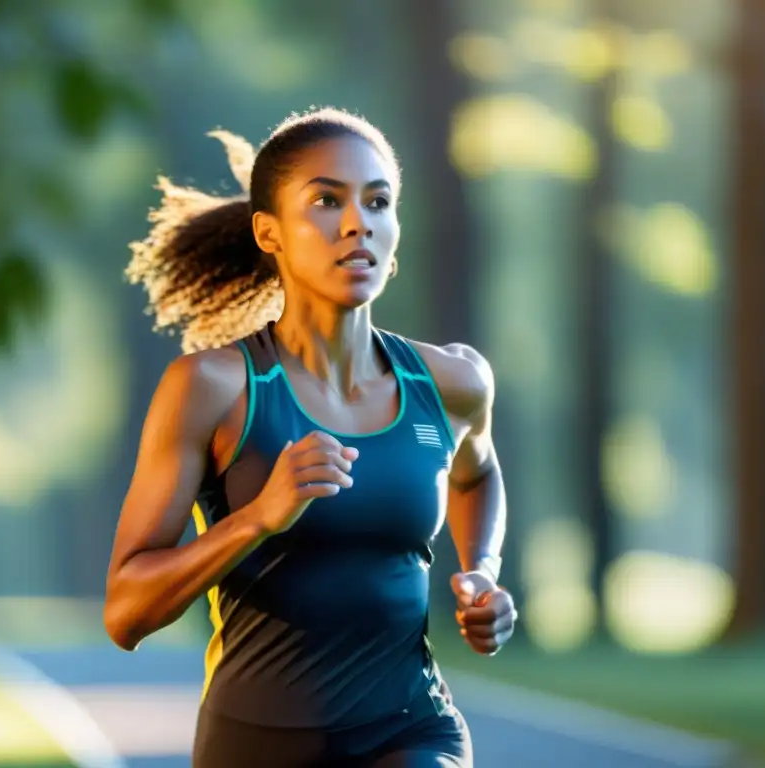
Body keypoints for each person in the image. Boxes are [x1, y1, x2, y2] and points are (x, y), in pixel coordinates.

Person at [105, 107, 517, 768]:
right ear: (269, 232)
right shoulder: (213, 388)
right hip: (254, 745)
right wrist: (255, 520)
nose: (359, 223)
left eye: (378, 201)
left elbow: (476, 472)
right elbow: (125, 613)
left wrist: (482, 574)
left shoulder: (453, 382)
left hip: (411, 731)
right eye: (327, 200)